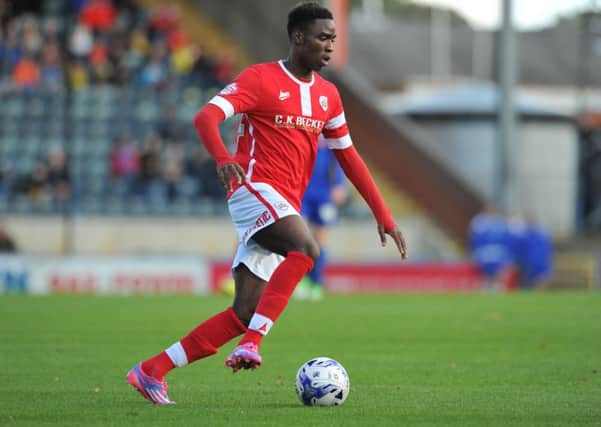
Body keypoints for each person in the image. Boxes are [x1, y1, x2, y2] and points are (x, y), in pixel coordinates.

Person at [126, 2, 407, 405]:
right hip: (251, 186)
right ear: (298, 38)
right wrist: (224, 159)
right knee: (306, 248)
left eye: (333, 39)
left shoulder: (328, 97)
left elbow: (349, 157)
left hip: (283, 202)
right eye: (322, 38)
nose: (329, 46)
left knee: (242, 312)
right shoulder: (260, 78)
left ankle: (152, 371)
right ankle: (254, 343)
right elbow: (205, 118)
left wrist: (383, 214)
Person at [296, 136, 347, 300]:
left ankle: (316, 282)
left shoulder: (328, 126)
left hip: (324, 193)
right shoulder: (300, 124)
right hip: (301, 190)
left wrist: (339, 184)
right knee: (298, 236)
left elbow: (340, 155)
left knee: (321, 237)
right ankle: (300, 281)